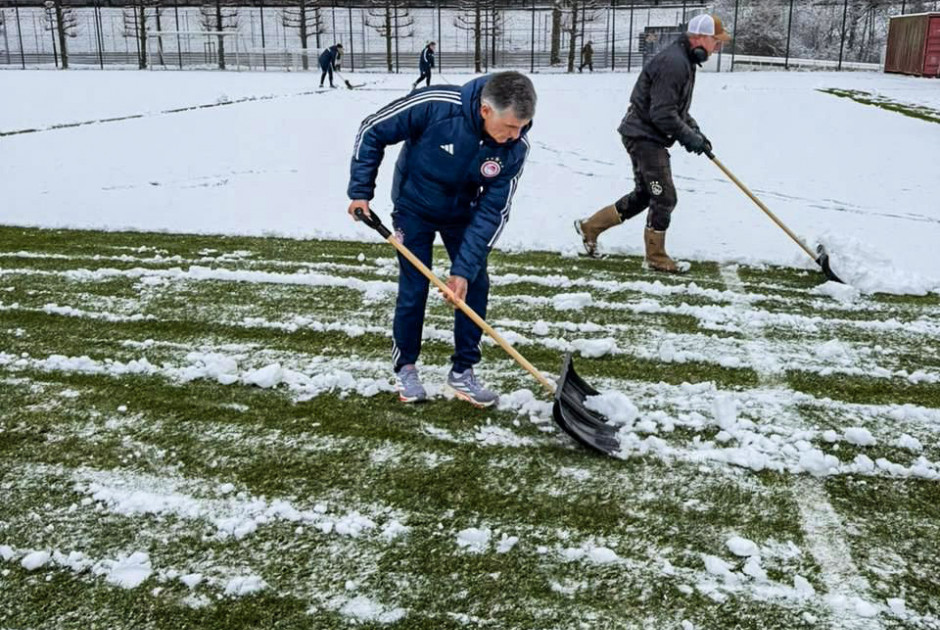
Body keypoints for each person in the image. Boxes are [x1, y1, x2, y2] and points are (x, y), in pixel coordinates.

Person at [347, 72, 536, 407]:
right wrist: (361, 192)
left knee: (474, 284)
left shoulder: (514, 149)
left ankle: (463, 372)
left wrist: (462, 271)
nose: (515, 135)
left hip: (463, 213)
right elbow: (372, 130)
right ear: (485, 110)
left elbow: (493, 212)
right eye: (509, 127)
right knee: (415, 285)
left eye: (523, 126)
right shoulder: (436, 105)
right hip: (412, 208)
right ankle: (406, 367)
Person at [574, 14, 730, 271]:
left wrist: (695, 131)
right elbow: (662, 113)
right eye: (716, 41)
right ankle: (656, 257)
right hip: (644, 137)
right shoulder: (674, 63)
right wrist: (688, 137)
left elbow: (674, 109)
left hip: (647, 134)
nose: (719, 46)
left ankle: (590, 226)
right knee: (664, 196)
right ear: (700, 38)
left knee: (646, 194)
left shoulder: (685, 60)